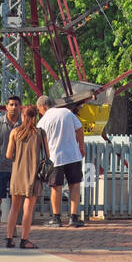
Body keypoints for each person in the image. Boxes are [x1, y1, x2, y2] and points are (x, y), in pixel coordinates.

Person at [37, 94, 85, 227]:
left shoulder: (42, 121)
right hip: (73, 155)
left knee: (55, 187)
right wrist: (81, 145)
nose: (39, 112)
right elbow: (79, 128)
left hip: (54, 158)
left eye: (39, 109)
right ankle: (74, 217)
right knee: (74, 185)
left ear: (43, 106)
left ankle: (56, 218)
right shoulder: (67, 112)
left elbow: (39, 141)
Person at [5, 104, 50, 249]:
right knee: (28, 208)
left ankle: (9, 238)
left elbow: (8, 155)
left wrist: (18, 158)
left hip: (17, 173)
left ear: (22, 116)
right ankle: (24, 240)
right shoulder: (40, 133)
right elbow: (48, 155)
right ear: (35, 116)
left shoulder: (15, 132)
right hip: (33, 174)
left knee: (14, 208)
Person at [0, 95, 21, 232]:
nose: (13, 107)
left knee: (16, 198)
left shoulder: (24, 124)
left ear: (20, 107)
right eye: (11, 104)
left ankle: (12, 227)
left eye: (16, 105)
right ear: (6, 106)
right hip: (1, 166)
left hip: (18, 168)